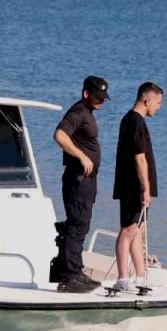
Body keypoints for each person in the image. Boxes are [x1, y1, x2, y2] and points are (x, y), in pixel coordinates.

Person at [53, 75, 110, 293]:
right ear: (86, 93)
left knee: (81, 224)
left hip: (86, 181)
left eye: (103, 97)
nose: (101, 101)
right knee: (77, 225)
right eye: (97, 96)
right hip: (77, 179)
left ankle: (75, 271)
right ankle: (69, 278)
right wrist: (81, 157)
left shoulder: (88, 112)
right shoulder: (78, 111)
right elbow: (59, 135)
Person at [111, 82, 163, 291]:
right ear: (147, 99)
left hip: (133, 185)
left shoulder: (130, 120)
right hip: (134, 186)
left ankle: (141, 275)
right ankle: (123, 278)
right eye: (158, 103)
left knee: (138, 230)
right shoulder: (136, 122)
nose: (158, 107)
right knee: (128, 230)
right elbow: (140, 159)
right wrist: (145, 189)